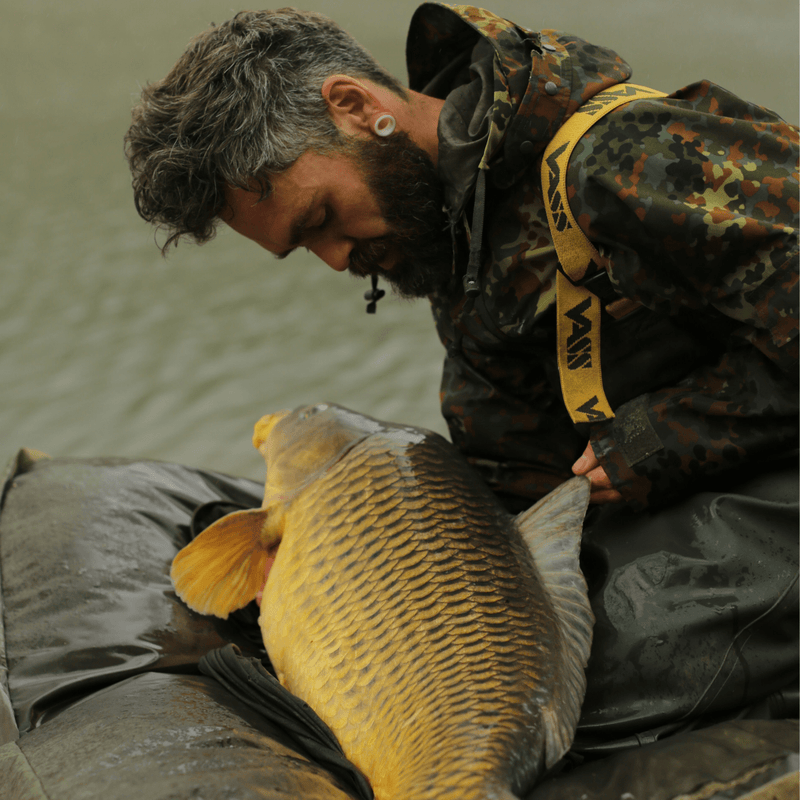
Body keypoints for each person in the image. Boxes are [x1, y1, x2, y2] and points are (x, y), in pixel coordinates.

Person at [125, 2, 798, 752]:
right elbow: (516, 472)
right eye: (303, 248)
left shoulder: (626, 157)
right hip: (694, 504)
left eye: (319, 219)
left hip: (771, 489)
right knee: (434, 681)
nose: (336, 259)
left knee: (576, 692)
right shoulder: (455, 235)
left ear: (355, 106)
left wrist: (654, 441)